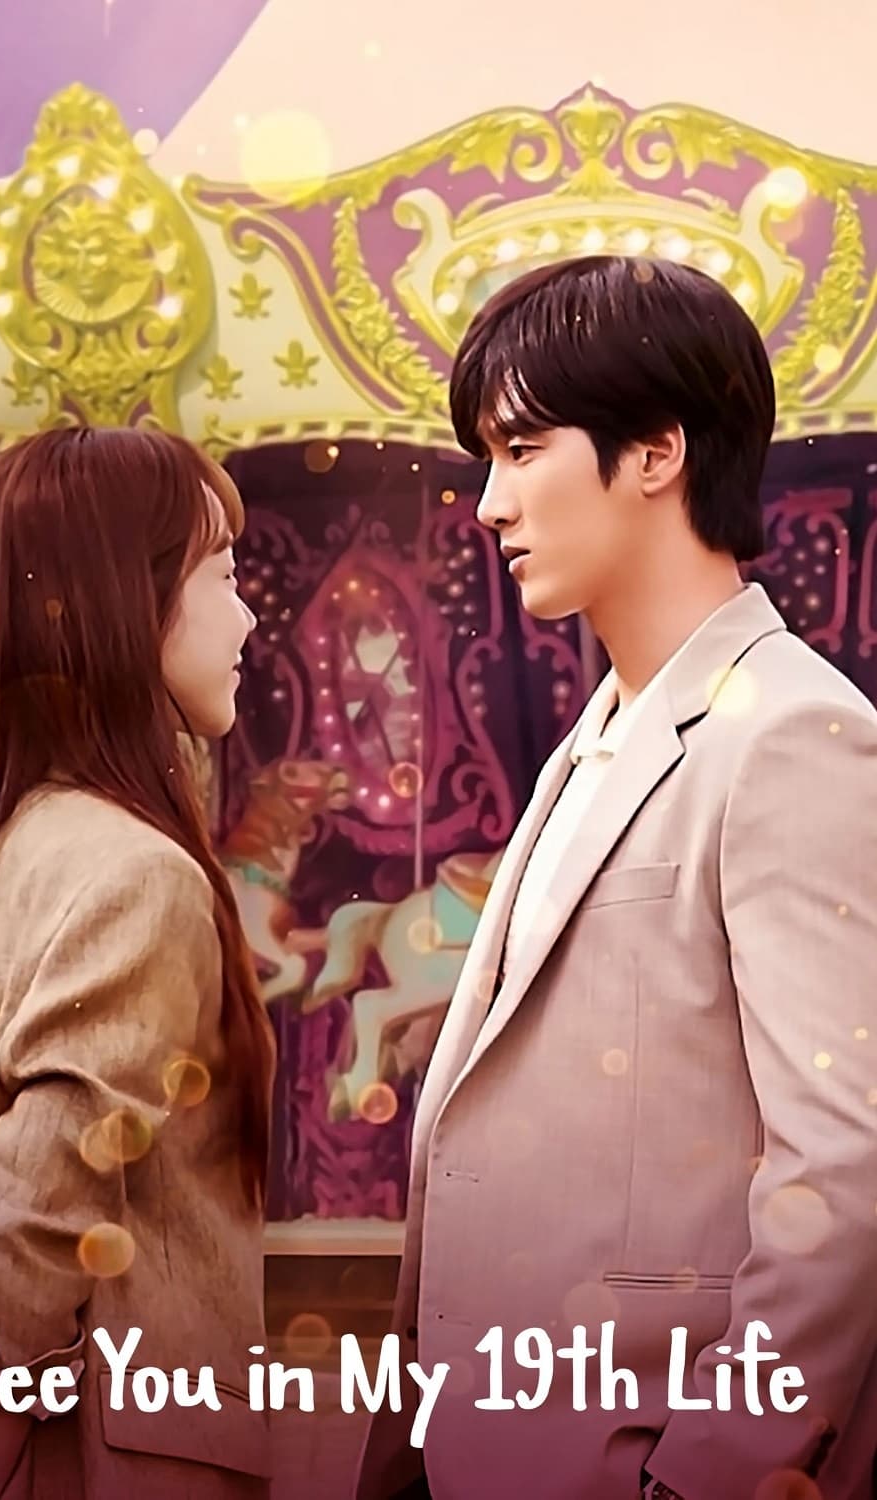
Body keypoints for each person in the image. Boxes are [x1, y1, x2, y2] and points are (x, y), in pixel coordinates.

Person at [355, 257, 877, 1500]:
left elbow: (843, 1166)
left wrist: (705, 1473)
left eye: (522, 450)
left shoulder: (792, 733)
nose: (489, 505)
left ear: (656, 451)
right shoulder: (593, 739)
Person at [0, 427, 274, 1500]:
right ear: (125, 604)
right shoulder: (135, 874)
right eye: (223, 575)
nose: (246, 618)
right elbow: (31, 1233)